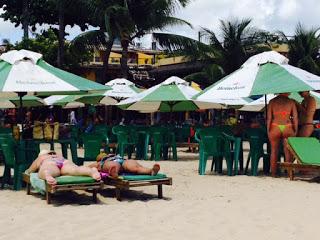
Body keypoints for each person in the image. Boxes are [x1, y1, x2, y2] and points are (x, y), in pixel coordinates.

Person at [25, 150, 101, 185]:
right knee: (75, 169)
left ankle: (47, 175)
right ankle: (91, 171)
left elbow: (31, 169)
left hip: (50, 163)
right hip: (64, 162)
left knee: (46, 169)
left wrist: (28, 171)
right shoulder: (59, 156)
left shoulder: (42, 157)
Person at [267, 93, 298, 177]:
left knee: (274, 151)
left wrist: (268, 130)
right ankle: (289, 173)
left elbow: (269, 118)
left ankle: (273, 173)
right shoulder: (291, 102)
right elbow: (295, 117)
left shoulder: (272, 102)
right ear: (286, 92)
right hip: (288, 126)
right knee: (287, 151)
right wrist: (295, 130)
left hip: (275, 126)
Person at [89, 153, 160, 178]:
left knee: (134, 167)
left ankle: (151, 170)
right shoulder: (99, 162)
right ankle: (114, 173)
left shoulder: (105, 160)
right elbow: (88, 168)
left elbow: (88, 167)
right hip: (119, 161)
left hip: (121, 161)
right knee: (114, 165)